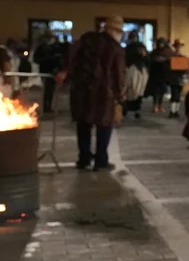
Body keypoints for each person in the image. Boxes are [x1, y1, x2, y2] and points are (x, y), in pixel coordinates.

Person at [68, 15, 126, 171]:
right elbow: (118, 74)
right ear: (115, 31)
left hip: (81, 90)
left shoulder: (86, 41)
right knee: (104, 126)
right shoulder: (115, 48)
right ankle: (101, 160)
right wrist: (120, 93)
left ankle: (84, 159)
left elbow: (72, 60)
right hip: (103, 92)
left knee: (83, 125)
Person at [33, 34, 63, 113]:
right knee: (47, 90)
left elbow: (58, 59)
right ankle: (45, 107)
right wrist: (47, 60)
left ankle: (48, 106)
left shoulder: (55, 47)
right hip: (45, 71)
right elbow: (36, 59)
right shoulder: (41, 48)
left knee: (51, 90)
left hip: (53, 72)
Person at [123, 43, 149, 120]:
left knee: (137, 94)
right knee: (132, 93)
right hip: (136, 71)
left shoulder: (142, 63)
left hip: (139, 72)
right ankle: (129, 109)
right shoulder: (134, 65)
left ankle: (134, 110)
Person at [147, 38, 171, 113]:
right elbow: (150, 61)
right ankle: (155, 105)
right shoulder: (154, 52)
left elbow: (170, 62)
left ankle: (160, 105)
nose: (161, 45)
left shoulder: (167, 52)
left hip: (163, 74)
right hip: (155, 74)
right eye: (160, 43)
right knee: (155, 91)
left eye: (162, 43)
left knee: (162, 91)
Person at [167, 39, 187, 118]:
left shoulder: (183, 57)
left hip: (180, 78)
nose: (178, 48)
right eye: (177, 46)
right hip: (173, 78)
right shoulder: (171, 57)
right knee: (174, 94)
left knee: (178, 95)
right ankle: (172, 111)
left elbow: (185, 68)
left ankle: (176, 111)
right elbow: (168, 67)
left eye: (179, 46)